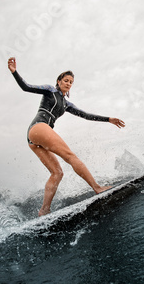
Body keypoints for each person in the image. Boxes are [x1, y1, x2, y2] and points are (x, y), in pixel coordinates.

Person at [8, 57, 125, 216]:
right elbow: (26, 87)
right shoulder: (50, 90)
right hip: (38, 127)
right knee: (70, 156)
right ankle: (97, 188)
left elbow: (85, 115)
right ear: (59, 81)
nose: (68, 83)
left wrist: (108, 119)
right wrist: (15, 72)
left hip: (34, 139)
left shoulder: (66, 104)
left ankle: (44, 210)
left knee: (57, 173)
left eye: (71, 82)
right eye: (66, 80)